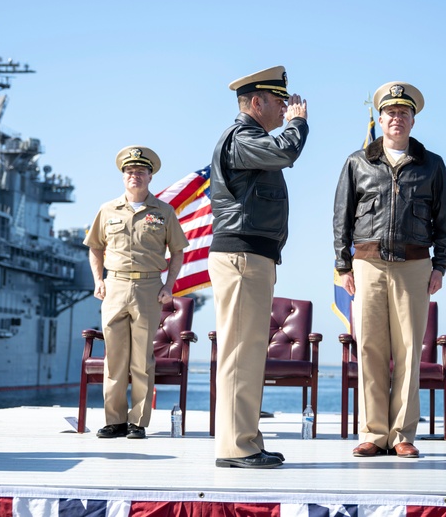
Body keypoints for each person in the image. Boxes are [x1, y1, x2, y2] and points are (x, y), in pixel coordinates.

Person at [333, 82, 446, 459]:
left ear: (413, 120)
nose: (396, 119)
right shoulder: (357, 162)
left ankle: (402, 434)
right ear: (380, 119)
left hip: (415, 266)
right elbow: (342, 215)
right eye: (390, 113)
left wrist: (441, 265)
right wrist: (342, 264)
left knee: (408, 350)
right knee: (369, 348)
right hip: (366, 264)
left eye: (404, 113)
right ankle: (373, 433)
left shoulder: (432, 165)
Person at [209, 65, 308, 469]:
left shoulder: (249, 138)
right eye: (280, 102)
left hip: (252, 256)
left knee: (249, 352)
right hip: (242, 256)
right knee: (239, 352)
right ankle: (235, 446)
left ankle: (245, 439)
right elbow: (284, 152)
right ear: (257, 102)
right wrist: (300, 125)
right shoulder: (243, 137)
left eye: (288, 105)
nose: (286, 109)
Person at [84, 146, 188, 440]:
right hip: (115, 286)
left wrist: (169, 286)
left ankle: (137, 422)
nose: (135, 176)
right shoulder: (107, 210)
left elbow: (178, 251)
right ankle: (114, 420)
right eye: (130, 171)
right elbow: (95, 247)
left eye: (140, 171)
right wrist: (98, 280)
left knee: (142, 359)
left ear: (150, 177)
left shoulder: (164, 212)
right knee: (114, 358)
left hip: (147, 287)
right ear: (123, 176)